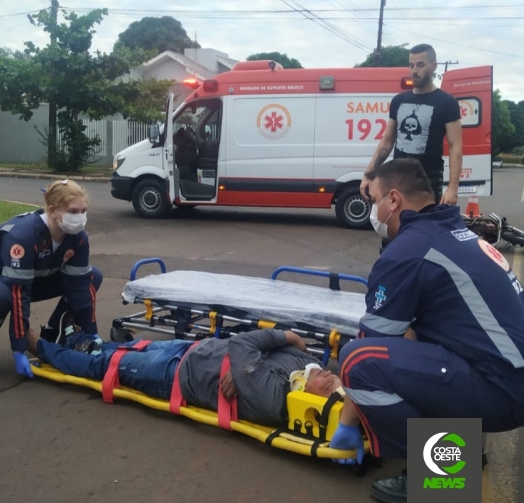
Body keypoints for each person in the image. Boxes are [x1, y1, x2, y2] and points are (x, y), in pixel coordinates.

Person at [330, 159, 524, 503]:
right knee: (413, 337)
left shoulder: (409, 251)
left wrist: (348, 419)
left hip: (503, 391)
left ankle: (443, 472)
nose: (373, 212)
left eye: (374, 201)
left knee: (356, 361)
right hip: (506, 377)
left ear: (393, 200)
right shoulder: (454, 232)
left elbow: (372, 342)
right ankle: (460, 442)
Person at [28, 328, 343, 427]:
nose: (330, 378)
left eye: (330, 389)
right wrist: (241, 366)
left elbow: (245, 342)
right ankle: (77, 341)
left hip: (176, 375)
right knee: (125, 346)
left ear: (311, 405)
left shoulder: (274, 400)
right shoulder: (307, 367)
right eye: (335, 380)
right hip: (197, 349)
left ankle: (42, 348)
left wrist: (286, 336)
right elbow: (252, 349)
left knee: (106, 366)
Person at [0, 180, 103, 379]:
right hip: (7, 283)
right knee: (3, 297)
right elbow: (18, 293)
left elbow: (80, 286)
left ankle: (55, 331)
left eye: (83, 211)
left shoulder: (78, 238)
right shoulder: (24, 236)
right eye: (73, 212)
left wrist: (92, 332)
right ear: (52, 210)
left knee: (92, 277)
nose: (80, 218)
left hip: (31, 280)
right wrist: (19, 348)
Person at [360, 43, 463, 208]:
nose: (414, 70)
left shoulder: (447, 102)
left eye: (420, 65)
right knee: (393, 232)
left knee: (424, 231)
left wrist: (452, 189)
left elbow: (455, 146)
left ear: (433, 66)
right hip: (397, 180)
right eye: (411, 65)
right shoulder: (399, 101)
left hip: (428, 182)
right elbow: (387, 141)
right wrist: (369, 175)